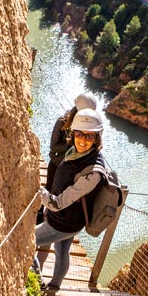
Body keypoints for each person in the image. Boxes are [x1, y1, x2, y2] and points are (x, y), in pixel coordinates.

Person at [34, 108, 106, 290]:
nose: (83, 140)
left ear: (96, 139)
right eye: (79, 134)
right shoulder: (75, 152)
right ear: (73, 133)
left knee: (27, 241)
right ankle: (55, 286)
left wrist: (37, 192)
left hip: (63, 221)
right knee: (62, 251)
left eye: (89, 137)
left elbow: (58, 203)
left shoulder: (93, 172)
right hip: (71, 218)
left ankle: (38, 285)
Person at [37, 92, 97, 224]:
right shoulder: (62, 122)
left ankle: (55, 219)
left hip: (71, 167)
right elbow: (54, 146)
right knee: (49, 189)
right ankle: (40, 217)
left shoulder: (87, 130)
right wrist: (73, 146)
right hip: (58, 164)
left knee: (63, 195)